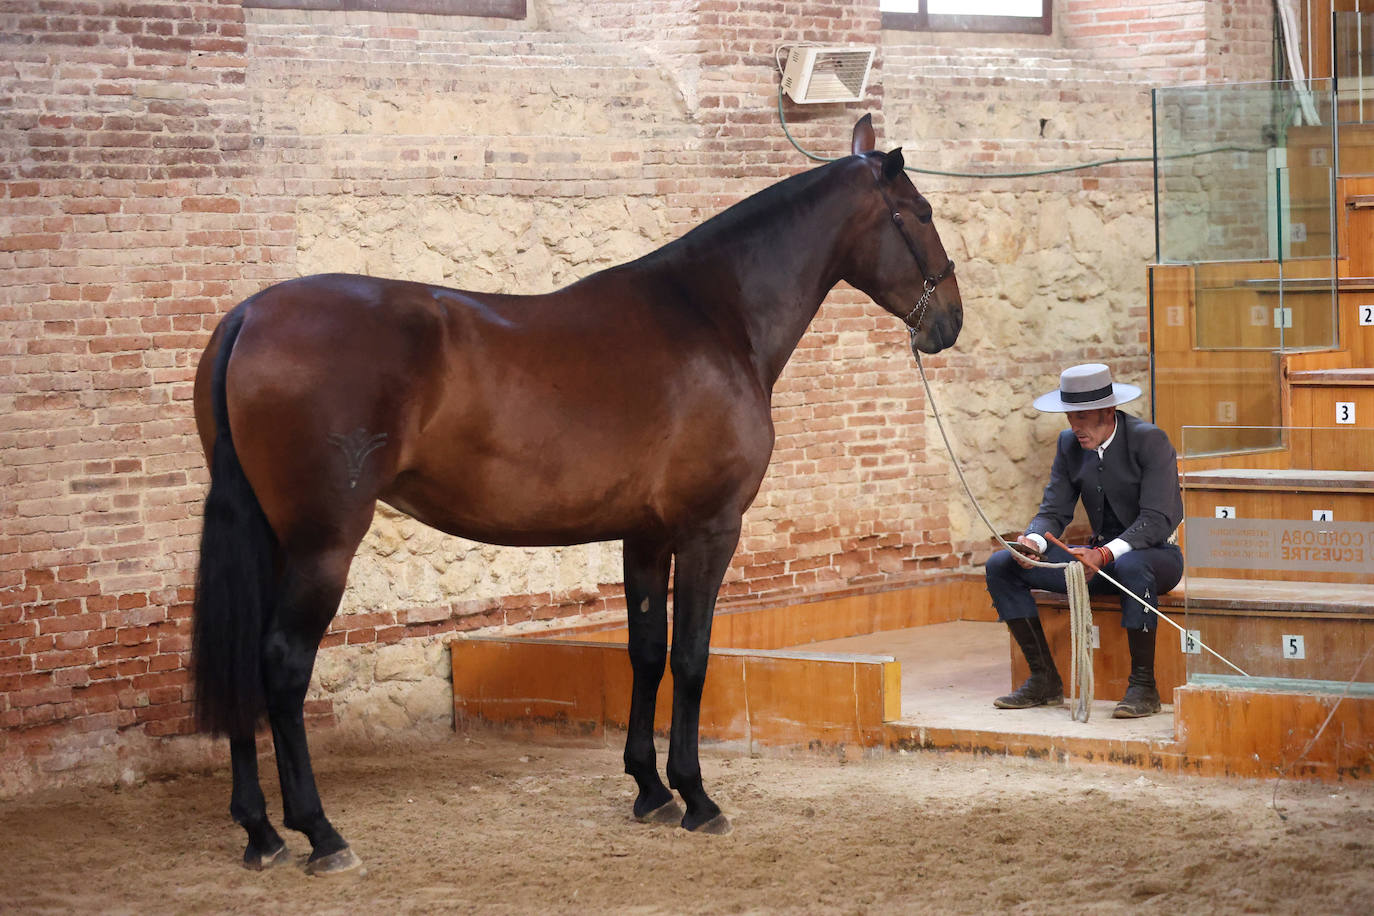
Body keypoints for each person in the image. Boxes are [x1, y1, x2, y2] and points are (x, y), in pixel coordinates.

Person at [984, 363, 1184, 718]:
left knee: (1133, 565)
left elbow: (1156, 519)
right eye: (1069, 416)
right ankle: (1044, 680)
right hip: (1095, 561)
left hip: (1154, 556)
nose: (1074, 426)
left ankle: (1143, 687)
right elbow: (1055, 510)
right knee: (1001, 566)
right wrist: (1033, 543)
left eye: (1083, 416)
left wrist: (1105, 555)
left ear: (1108, 411)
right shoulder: (1068, 445)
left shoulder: (1149, 440)